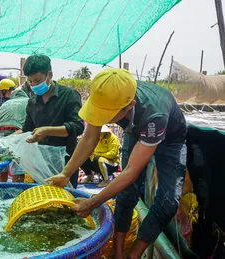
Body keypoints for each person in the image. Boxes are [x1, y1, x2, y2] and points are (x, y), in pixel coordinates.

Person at [46, 68, 187, 259]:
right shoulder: (109, 93)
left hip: (170, 139)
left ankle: (134, 254)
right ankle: (118, 253)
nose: (101, 118)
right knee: (126, 193)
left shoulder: (154, 116)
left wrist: (94, 202)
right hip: (136, 130)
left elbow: (131, 172)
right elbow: (89, 139)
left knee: (168, 202)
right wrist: (65, 173)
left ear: (130, 106)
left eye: (107, 115)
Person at [21, 54, 84, 188]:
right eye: (30, 82)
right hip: (40, 163)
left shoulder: (69, 95)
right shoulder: (32, 102)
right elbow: (26, 130)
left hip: (66, 162)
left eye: (37, 80)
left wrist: (47, 131)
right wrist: (3, 141)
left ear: (49, 75)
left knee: (65, 201)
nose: (33, 85)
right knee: (42, 201)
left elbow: (77, 126)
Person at [0, 90, 29, 182]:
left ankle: (0, 191)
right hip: (14, 130)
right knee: (17, 166)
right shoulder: (29, 101)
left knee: (2, 165)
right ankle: (17, 192)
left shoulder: (7, 103)